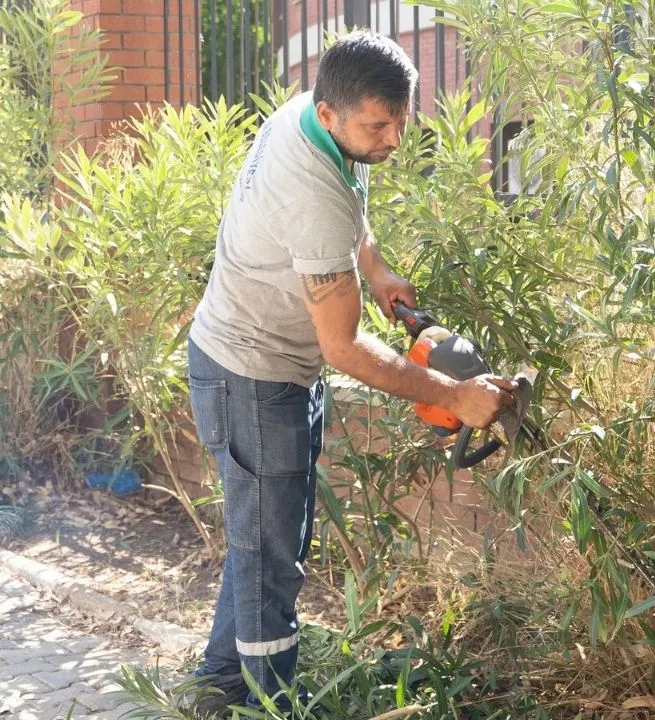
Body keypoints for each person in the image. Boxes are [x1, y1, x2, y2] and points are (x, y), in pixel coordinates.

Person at [184, 32, 519, 714]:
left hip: (268, 363)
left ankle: (221, 686)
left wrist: (376, 268)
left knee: (265, 539)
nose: (393, 138)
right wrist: (454, 393)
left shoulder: (312, 119)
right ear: (332, 113)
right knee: (273, 555)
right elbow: (343, 348)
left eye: (400, 120)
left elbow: (347, 208)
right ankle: (265, 703)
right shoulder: (309, 191)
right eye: (378, 125)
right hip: (251, 373)